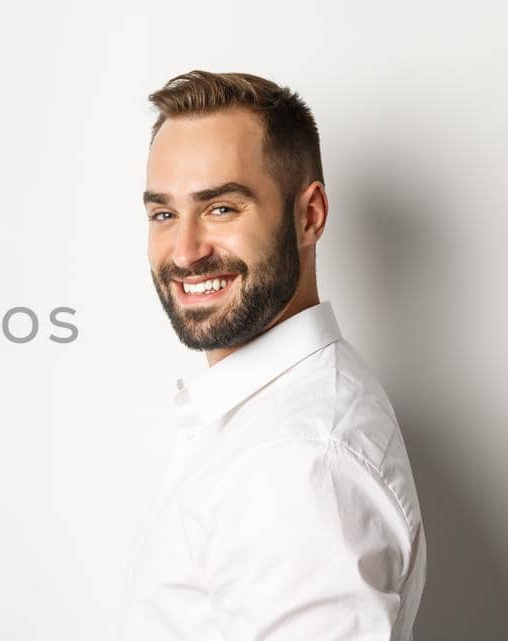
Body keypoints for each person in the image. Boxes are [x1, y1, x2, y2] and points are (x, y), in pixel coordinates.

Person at [117, 70, 427, 640]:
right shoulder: (268, 422)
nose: (185, 251)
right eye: (164, 214)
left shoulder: (299, 462)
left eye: (221, 209)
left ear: (309, 216)